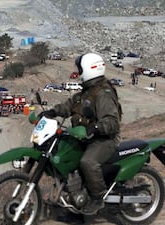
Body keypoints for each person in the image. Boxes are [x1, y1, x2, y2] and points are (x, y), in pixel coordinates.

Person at [39, 53, 122, 215]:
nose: (79, 72)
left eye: (80, 69)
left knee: (87, 161)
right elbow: (69, 105)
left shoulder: (103, 93)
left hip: (104, 140)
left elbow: (112, 122)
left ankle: (98, 198)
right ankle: (73, 192)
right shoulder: (86, 92)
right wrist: (52, 112)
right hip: (85, 137)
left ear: (90, 69)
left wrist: (95, 128)